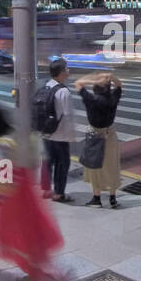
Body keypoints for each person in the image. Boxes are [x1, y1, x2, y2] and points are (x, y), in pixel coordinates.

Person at [39, 58, 86, 203]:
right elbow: (67, 116)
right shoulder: (63, 91)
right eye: (66, 68)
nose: (68, 71)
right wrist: (71, 136)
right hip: (60, 136)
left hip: (46, 133)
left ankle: (46, 190)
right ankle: (59, 194)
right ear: (60, 73)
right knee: (62, 164)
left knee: (47, 162)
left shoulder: (46, 86)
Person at [78, 69, 126, 209]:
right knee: (112, 165)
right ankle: (112, 198)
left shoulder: (91, 99)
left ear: (95, 88)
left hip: (95, 134)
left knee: (94, 166)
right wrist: (111, 76)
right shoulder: (112, 98)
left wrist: (92, 79)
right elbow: (119, 85)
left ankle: (96, 198)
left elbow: (78, 83)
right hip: (110, 134)